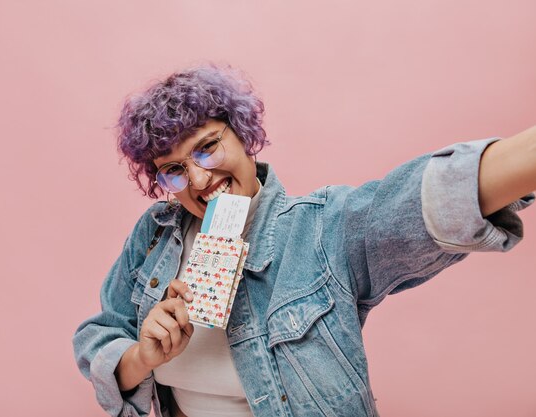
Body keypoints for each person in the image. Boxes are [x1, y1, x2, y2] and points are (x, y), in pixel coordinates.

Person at [72, 65, 535, 417]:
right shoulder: (155, 236)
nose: (198, 177)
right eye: (173, 170)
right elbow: (99, 335)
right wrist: (140, 356)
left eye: (208, 146)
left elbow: (412, 203)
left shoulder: (320, 230)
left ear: (244, 134)